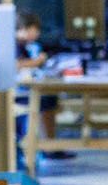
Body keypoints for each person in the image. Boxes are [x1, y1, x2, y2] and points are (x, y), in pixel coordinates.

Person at [14, 10, 69, 160]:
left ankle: (49, 144)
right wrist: (38, 61)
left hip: (26, 89)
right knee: (46, 101)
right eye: (34, 30)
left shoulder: (26, 46)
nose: (37, 34)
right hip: (19, 93)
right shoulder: (14, 45)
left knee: (50, 99)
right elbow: (17, 65)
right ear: (24, 28)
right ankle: (47, 146)